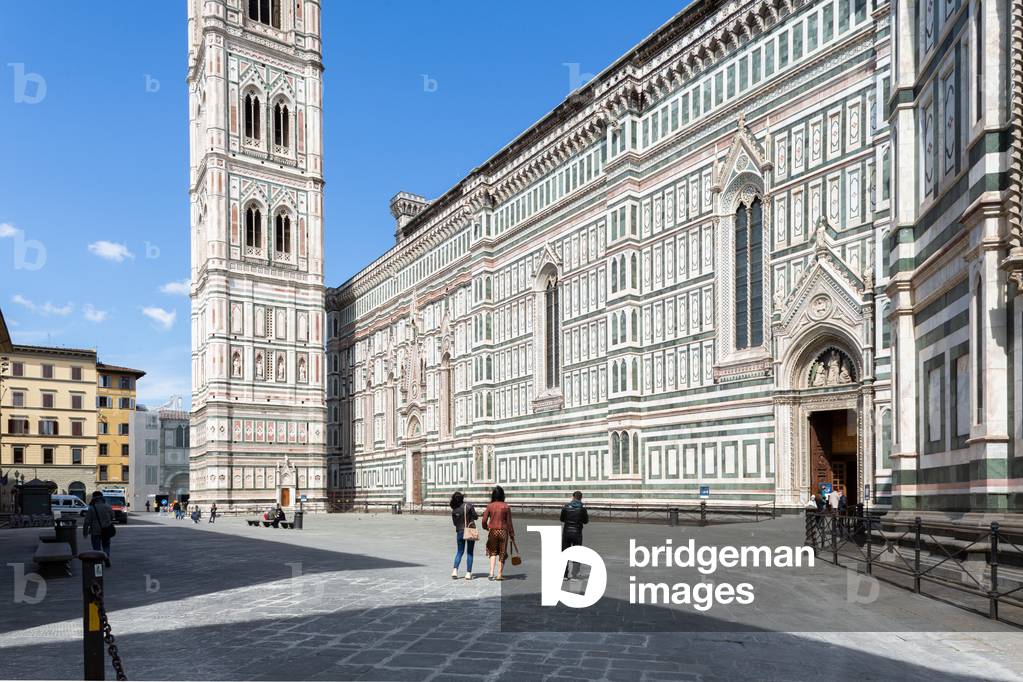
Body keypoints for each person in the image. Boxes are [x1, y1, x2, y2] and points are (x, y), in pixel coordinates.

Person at [481, 486, 514, 581]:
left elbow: (484, 520)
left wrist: (485, 527)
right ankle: (499, 574)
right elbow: (509, 523)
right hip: (503, 531)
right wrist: (512, 534)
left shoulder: (490, 506)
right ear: (502, 495)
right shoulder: (506, 506)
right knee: (502, 553)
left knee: (493, 552)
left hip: (493, 531)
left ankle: (491, 573)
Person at [449, 491, 478, 580]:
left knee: (459, 552)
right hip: (469, 530)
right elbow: (475, 517)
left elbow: (455, 523)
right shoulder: (468, 506)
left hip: (460, 531)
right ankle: (468, 573)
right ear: (462, 498)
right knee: (470, 552)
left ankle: (455, 570)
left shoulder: (454, 510)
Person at [560, 490, 589, 580]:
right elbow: (586, 521)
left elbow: (562, 519)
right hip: (577, 533)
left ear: (573, 497)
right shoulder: (582, 509)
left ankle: (564, 575)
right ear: (581, 498)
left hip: (566, 533)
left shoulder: (566, 507)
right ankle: (574, 575)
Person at [82, 491, 115, 567]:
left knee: (96, 547)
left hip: (95, 531)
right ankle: (106, 558)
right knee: (106, 546)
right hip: (106, 530)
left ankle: (98, 562)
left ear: (93, 498)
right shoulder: (107, 506)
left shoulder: (91, 508)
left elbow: (87, 521)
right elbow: (112, 516)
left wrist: (85, 532)